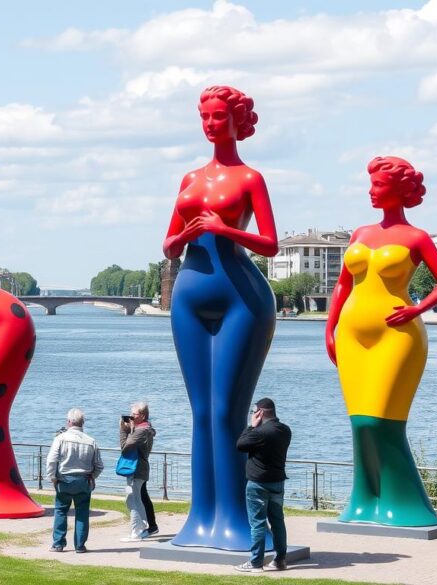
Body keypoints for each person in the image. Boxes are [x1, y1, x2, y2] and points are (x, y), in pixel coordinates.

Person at [162, 85, 278, 549]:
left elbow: (270, 243)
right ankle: (200, 518)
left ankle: (236, 519)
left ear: (237, 122)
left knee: (228, 411)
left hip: (241, 297)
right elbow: (169, 245)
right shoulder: (189, 179)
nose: (210, 124)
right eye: (205, 117)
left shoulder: (250, 178)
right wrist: (182, 236)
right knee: (202, 412)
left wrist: (223, 229)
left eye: (218, 117)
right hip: (188, 295)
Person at [326, 156, 437, 527]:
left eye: (379, 185)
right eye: (371, 185)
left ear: (400, 191)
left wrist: (417, 309)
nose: (371, 191)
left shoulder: (417, 238)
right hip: (352, 335)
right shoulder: (359, 233)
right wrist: (330, 327)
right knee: (359, 424)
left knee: (382, 422)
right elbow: (343, 285)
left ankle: (407, 506)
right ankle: (363, 502)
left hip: (397, 335)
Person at [235, 398, 292, 573]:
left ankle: (255, 563)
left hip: (258, 484)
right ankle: (280, 560)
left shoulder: (259, 433)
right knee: (278, 522)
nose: (253, 415)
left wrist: (251, 426)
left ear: (260, 412)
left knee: (257, 524)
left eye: (254, 412)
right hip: (277, 482)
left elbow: (240, 444)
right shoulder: (285, 430)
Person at [46, 408, 103, 553]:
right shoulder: (91, 441)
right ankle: (80, 545)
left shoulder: (60, 438)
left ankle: (58, 544)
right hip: (84, 480)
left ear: (69, 422)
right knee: (82, 513)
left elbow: (51, 460)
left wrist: (53, 478)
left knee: (61, 510)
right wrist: (92, 477)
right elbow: (99, 465)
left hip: (64, 479)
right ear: (82, 422)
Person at [119, 401, 156, 542]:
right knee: (138, 498)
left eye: (134, 414)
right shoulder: (145, 429)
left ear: (143, 416)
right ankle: (143, 526)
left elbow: (125, 447)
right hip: (139, 468)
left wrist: (123, 430)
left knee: (132, 499)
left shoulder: (141, 431)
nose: (131, 417)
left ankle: (136, 532)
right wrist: (131, 429)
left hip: (136, 469)